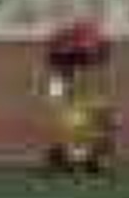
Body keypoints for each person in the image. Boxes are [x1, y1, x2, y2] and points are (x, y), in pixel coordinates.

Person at [39, 18, 116, 177]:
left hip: (79, 103)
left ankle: (86, 156)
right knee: (75, 118)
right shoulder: (62, 66)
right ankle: (72, 155)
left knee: (96, 116)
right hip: (71, 101)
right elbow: (57, 87)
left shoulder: (89, 69)